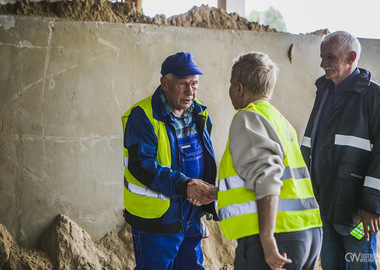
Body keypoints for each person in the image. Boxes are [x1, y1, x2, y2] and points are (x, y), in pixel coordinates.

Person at [217, 52, 322, 270]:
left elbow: (268, 179)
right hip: (306, 233)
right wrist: (218, 193)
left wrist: (267, 239)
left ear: (239, 88)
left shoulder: (248, 117)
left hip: (276, 236)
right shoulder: (278, 119)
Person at [121, 52, 218, 270]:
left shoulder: (200, 113)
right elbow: (141, 165)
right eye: (183, 84)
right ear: (165, 84)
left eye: (195, 84)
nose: (190, 91)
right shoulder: (143, 116)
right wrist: (184, 186)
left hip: (191, 214)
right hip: (157, 222)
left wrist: (203, 201)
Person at [301, 30, 380, 269]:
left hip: (357, 213)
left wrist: (371, 207)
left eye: (330, 57)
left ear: (351, 57)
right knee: (331, 265)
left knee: (360, 264)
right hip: (324, 206)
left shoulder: (373, 96)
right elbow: (310, 144)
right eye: (322, 57)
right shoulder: (324, 91)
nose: (323, 63)